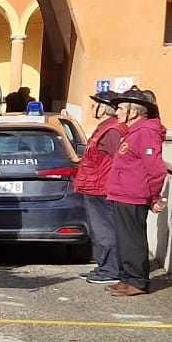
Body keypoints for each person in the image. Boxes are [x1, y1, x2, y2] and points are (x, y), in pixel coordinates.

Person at [104, 88, 168, 297]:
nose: (117, 113)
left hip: (133, 195)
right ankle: (126, 278)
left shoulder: (146, 133)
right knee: (123, 239)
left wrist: (154, 196)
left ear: (134, 112)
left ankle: (138, 281)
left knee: (133, 239)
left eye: (121, 108)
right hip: (122, 193)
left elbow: (156, 168)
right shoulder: (133, 133)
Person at [74, 91, 123, 284]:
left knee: (105, 229)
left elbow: (119, 160)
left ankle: (110, 269)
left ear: (104, 108)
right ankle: (104, 266)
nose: (92, 108)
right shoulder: (105, 128)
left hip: (101, 188)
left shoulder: (112, 131)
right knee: (99, 229)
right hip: (94, 187)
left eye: (95, 105)